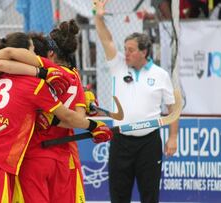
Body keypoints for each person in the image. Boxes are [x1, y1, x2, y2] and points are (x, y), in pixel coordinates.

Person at [0, 32, 113, 203]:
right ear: (25, 53)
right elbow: (69, 116)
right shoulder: (38, 84)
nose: (34, 55)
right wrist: (93, 125)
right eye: (31, 51)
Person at [0, 20, 92, 202]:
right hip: (63, 157)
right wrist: (87, 108)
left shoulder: (34, 74)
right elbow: (78, 119)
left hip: (33, 154)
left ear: (50, 52)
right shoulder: (74, 77)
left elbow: (1, 66)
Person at [93, 0, 179, 202]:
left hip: (149, 143)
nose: (126, 53)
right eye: (125, 48)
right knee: (118, 195)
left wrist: (173, 137)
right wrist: (98, 16)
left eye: (130, 50)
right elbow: (106, 40)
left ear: (144, 52)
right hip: (120, 141)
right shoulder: (118, 66)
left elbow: (173, 109)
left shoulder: (160, 75)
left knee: (150, 196)